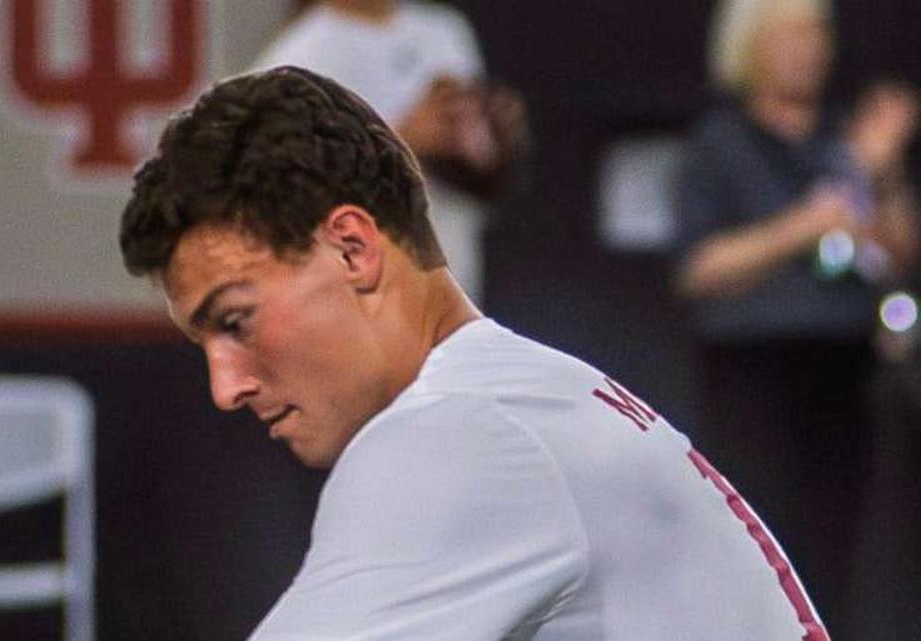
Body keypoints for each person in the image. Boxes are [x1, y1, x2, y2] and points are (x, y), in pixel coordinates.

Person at [120, 66, 831, 640]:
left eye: (237, 321)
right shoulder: (519, 397)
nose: (225, 385)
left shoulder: (458, 433)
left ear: (352, 249)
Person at [673, 0, 919, 636]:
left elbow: (895, 251)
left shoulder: (847, 140)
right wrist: (801, 227)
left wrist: (882, 173)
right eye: (792, 34)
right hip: (754, 371)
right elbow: (697, 269)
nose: (811, 49)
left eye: (818, 33)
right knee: (759, 543)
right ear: (751, 47)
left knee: (838, 549)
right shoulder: (718, 143)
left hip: (843, 367)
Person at [250, 0, 530, 303]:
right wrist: (402, 137)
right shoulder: (294, 63)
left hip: (452, 287)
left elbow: (478, 183)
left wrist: (490, 148)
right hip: (358, 305)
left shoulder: (444, 31)